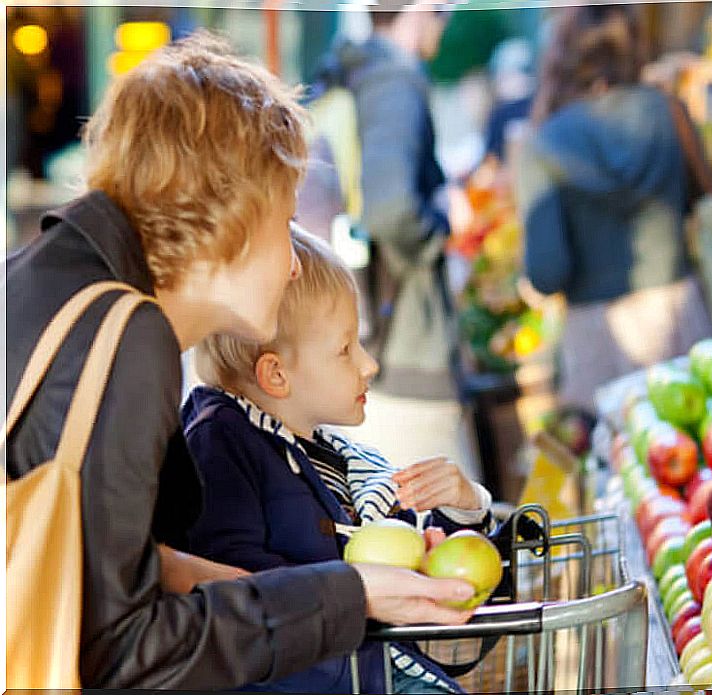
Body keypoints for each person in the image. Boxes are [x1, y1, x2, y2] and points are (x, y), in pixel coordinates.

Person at [5, 32, 475, 689]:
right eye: (284, 220)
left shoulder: (49, 274)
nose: (290, 262)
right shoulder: (127, 334)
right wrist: (348, 595)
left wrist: (199, 571)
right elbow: (126, 650)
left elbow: (90, 556)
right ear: (229, 217)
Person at [184, 230, 494, 693]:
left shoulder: (329, 454)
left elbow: (412, 556)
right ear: (276, 374)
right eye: (346, 348)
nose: (369, 364)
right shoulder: (220, 445)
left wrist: (461, 510)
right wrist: (356, 592)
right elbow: (243, 601)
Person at [307, 7, 480, 478]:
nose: (444, 20)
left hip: (373, 342)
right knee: (451, 529)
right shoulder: (394, 81)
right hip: (406, 353)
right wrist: (443, 219)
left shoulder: (353, 72)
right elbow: (391, 209)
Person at [516, 5, 712, 409]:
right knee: (703, 451)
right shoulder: (666, 110)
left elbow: (547, 271)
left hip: (598, 338)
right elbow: (705, 198)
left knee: (619, 461)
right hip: (679, 315)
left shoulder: (544, 141)